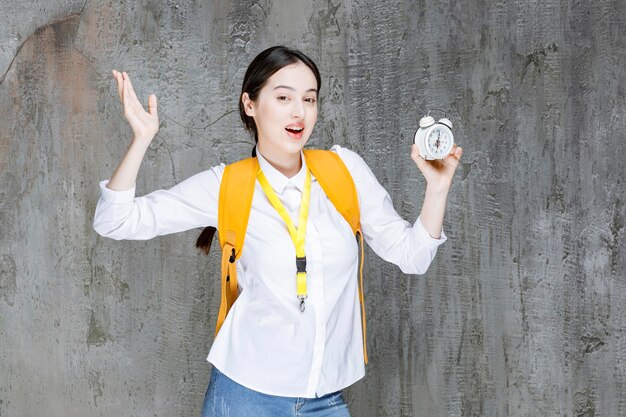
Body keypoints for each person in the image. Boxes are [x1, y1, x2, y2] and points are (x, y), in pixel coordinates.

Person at [93, 45, 463, 416]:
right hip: (245, 397)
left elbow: (412, 257)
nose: (298, 112)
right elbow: (115, 221)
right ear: (250, 104)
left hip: (326, 398)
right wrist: (141, 139)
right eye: (283, 97)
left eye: (309, 99)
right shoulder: (227, 185)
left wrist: (438, 188)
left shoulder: (343, 171)